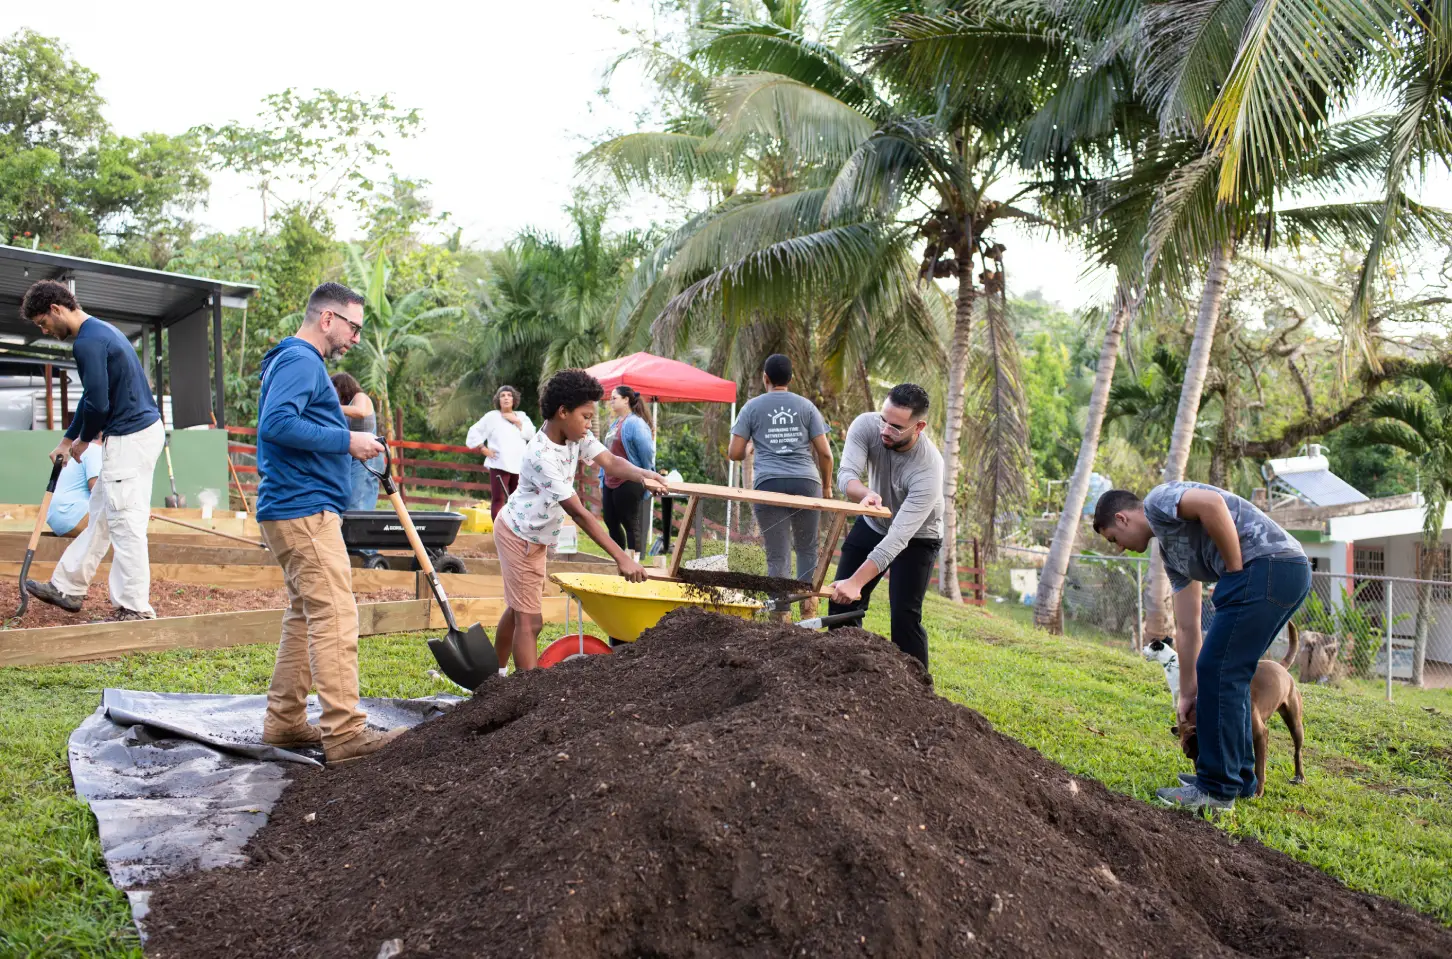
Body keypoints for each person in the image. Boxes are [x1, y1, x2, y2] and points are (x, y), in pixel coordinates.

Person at [1093, 482, 1311, 813]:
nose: (1119, 548)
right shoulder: (1171, 553)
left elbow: (1211, 504)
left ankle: (1216, 789)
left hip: (1271, 566)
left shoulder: (1157, 502)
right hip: (1276, 572)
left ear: (1122, 519)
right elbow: (1187, 627)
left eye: (1113, 539)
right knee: (1227, 673)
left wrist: (1234, 573)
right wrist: (1186, 694)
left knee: (1218, 670)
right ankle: (1240, 781)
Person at [254, 282, 397, 765]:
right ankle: (345, 733)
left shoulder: (292, 361)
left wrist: (341, 426)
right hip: (303, 508)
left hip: (293, 507)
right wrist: (347, 442)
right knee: (336, 615)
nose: (356, 338)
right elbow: (275, 424)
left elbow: (300, 412)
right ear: (328, 319)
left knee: (305, 615)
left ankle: (285, 722)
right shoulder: (300, 360)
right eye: (354, 327)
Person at [494, 369, 668, 673]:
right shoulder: (540, 455)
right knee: (530, 621)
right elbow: (579, 513)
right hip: (518, 535)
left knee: (517, 608)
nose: (589, 424)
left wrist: (645, 475)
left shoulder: (576, 437)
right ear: (563, 412)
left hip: (533, 538)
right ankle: (526, 696)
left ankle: (492, 677)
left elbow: (611, 462)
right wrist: (620, 558)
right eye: (586, 416)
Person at [21, 280, 165, 620]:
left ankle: (134, 606)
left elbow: (99, 403)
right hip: (138, 434)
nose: (46, 330)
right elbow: (92, 396)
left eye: (44, 323)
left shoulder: (86, 343)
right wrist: (68, 439)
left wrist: (84, 439)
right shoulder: (100, 332)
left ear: (56, 309)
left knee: (125, 522)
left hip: (130, 439)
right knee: (101, 516)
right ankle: (67, 587)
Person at [826, 383, 944, 669]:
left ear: (919, 427)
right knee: (841, 604)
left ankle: (919, 692)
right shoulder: (866, 426)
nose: (885, 430)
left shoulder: (929, 468)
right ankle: (845, 675)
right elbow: (845, 475)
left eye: (896, 426)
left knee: (904, 616)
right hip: (873, 521)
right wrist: (865, 494)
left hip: (917, 536)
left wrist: (857, 582)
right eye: (884, 419)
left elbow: (898, 539)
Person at [729, 355, 833, 594]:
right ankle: (808, 605)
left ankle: (780, 613)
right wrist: (826, 488)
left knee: (778, 552)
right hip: (807, 482)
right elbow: (826, 455)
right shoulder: (806, 406)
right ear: (791, 379)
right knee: (807, 548)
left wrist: (751, 446)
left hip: (769, 482)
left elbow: (734, 453)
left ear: (764, 378)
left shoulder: (751, 407)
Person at [600, 385, 656, 555]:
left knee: (629, 521)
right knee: (610, 520)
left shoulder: (636, 423)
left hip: (629, 480)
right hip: (610, 480)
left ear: (626, 400)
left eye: (614, 398)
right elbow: (606, 453)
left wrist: (645, 476)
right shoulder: (616, 423)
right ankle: (620, 557)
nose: (611, 401)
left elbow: (647, 452)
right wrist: (602, 476)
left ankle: (635, 561)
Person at [466, 385, 535, 519]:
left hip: (519, 465)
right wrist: (483, 448)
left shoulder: (522, 417)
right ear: (498, 400)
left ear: (514, 399)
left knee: (517, 500)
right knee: (498, 499)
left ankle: (516, 532)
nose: (506, 398)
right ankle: (498, 532)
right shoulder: (492, 417)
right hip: (499, 463)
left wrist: (517, 422)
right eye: (502, 396)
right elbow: (474, 431)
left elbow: (531, 434)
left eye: (509, 395)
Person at [331, 373, 384, 513]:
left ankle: (358, 531)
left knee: (358, 498)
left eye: (333, 388)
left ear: (342, 386)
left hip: (369, 453)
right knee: (351, 496)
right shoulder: (346, 406)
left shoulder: (360, 397)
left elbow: (360, 412)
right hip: (356, 453)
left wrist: (330, 406)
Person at [46, 441, 103, 537]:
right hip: (71, 513)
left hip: (62, 516)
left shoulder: (88, 450)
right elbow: (97, 490)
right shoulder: (96, 450)